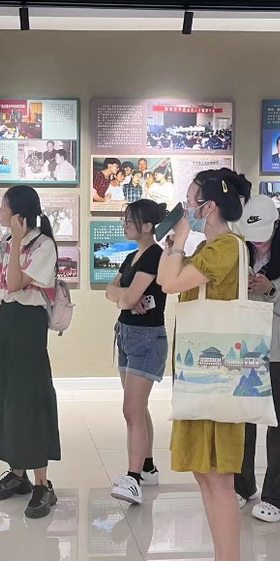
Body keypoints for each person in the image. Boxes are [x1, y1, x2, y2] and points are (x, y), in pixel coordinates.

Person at [157, 168, 254, 561]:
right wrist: (177, 243)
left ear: (209, 206)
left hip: (221, 380)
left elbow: (169, 282)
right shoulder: (208, 248)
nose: (187, 207)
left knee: (219, 477)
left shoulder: (226, 248)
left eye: (192, 199)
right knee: (205, 472)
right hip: (202, 377)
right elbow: (168, 278)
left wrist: (178, 239)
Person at [0, 185, 62, 519]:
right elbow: (6, 284)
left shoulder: (44, 245)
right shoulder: (6, 242)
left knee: (30, 396)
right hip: (6, 318)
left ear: (18, 215)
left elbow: (15, 283)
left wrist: (17, 241)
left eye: (3, 209)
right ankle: (18, 474)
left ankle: (43, 484)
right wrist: (13, 241)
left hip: (29, 323)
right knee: (5, 393)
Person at [233, 196, 280, 523]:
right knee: (243, 421)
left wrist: (270, 291)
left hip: (276, 355)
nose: (258, 241)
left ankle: (279, 496)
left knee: (277, 423)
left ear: (277, 226)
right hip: (244, 351)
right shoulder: (240, 257)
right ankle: (242, 485)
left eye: (264, 233)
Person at [105, 200, 169, 506]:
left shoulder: (155, 255)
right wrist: (125, 298)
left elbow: (128, 298)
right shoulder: (133, 257)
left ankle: (133, 479)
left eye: (130, 220)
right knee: (138, 409)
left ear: (147, 226)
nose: (125, 224)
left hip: (147, 338)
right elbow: (112, 292)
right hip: (127, 334)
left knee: (131, 409)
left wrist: (125, 298)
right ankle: (147, 466)